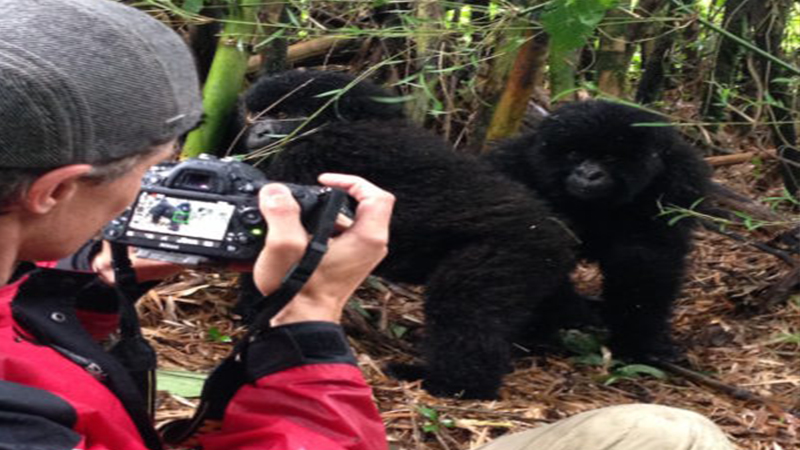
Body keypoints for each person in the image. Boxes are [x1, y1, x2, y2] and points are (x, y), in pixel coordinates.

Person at [0, 1, 736, 449]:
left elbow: (643, 257)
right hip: (499, 243)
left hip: (511, 234)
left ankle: (500, 362)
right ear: (58, 189)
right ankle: (469, 381)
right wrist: (305, 325)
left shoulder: (23, 288)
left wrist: (80, 291)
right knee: (670, 435)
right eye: (157, 167)